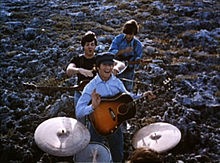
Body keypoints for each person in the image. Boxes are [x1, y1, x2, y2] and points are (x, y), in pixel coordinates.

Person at [76, 52, 155, 162]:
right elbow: (78, 111)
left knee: (118, 155)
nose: (108, 68)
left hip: (115, 124)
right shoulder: (91, 87)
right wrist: (92, 107)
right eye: (105, 65)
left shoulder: (116, 82)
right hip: (96, 127)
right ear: (98, 67)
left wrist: (143, 96)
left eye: (110, 65)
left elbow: (128, 97)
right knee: (93, 156)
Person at [66, 31, 124, 124]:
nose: (90, 47)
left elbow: (121, 64)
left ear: (95, 46)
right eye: (87, 44)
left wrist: (116, 69)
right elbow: (69, 70)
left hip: (98, 94)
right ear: (83, 46)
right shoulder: (77, 59)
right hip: (81, 93)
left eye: (92, 44)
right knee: (80, 117)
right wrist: (79, 70)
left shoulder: (99, 59)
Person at [109, 19, 143, 92]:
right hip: (116, 70)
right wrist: (124, 51)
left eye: (131, 34)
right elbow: (111, 52)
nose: (128, 36)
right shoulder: (118, 39)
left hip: (129, 72)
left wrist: (138, 61)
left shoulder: (137, 44)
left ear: (134, 34)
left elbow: (138, 57)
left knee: (127, 92)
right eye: (127, 34)